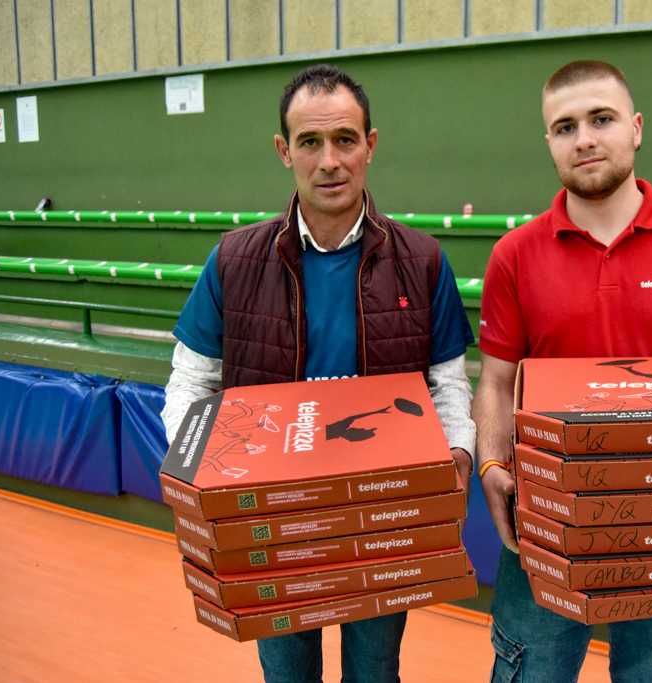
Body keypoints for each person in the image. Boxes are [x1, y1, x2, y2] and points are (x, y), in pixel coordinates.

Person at [160, 63, 476, 683]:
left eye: (344, 140)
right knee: (287, 676)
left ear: (370, 145)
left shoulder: (423, 261)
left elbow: (448, 384)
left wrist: (457, 455)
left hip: (382, 518)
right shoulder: (233, 260)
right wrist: (198, 468)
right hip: (273, 525)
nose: (329, 161)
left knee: (375, 673)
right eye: (310, 142)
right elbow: (190, 382)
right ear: (285, 151)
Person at [472, 60, 652, 683]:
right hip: (546, 517)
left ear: (637, 128)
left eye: (601, 119)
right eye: (565, 127)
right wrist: (491, 463)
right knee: (529, 671)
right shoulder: (514, 255)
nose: (584, 139)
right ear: (549, 141)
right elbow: (495, 381)